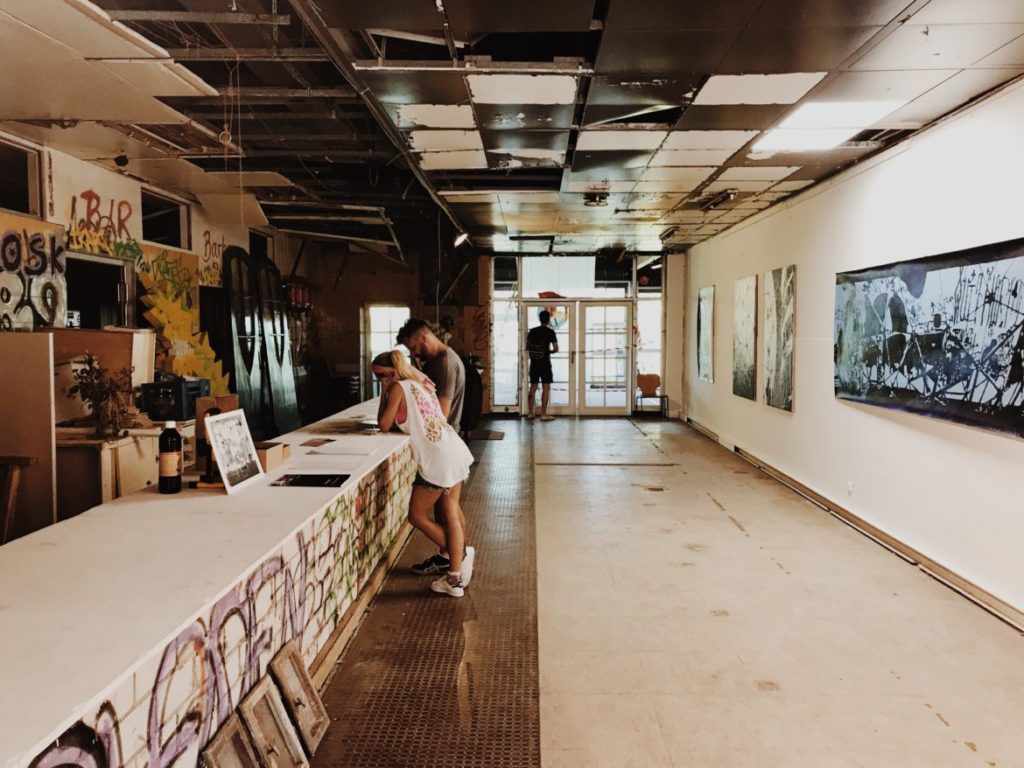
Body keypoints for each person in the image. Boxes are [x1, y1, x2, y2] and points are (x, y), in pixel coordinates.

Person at [373, 350, 476, 598]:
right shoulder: (421, 384)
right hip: (453, 448)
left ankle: (458, 558)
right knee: (450, 509)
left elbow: (384, 425)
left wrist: (385, 391)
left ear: (389, 372)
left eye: (379, 376)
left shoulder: (397, 388)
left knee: (417, 515)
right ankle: (455, 573)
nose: (379, 381)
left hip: (437, 459)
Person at [398, 318, 466, 429]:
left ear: (424, 338)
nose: (414, 354)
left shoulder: (445, 364)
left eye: (414, 348)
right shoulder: (434, 361)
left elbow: (442, 414)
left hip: (443, 435)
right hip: (436, 431)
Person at [526, 309, 559, 421]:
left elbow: (527, 347)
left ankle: (530, 413)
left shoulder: (532, 331)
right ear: (548, 320)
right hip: (545, 363)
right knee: (546, 388)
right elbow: (556, 349)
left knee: (533, 388)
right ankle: (543, 414)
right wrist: (547, 351)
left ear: (539, 319)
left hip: (534, 363)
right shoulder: (550, 332)